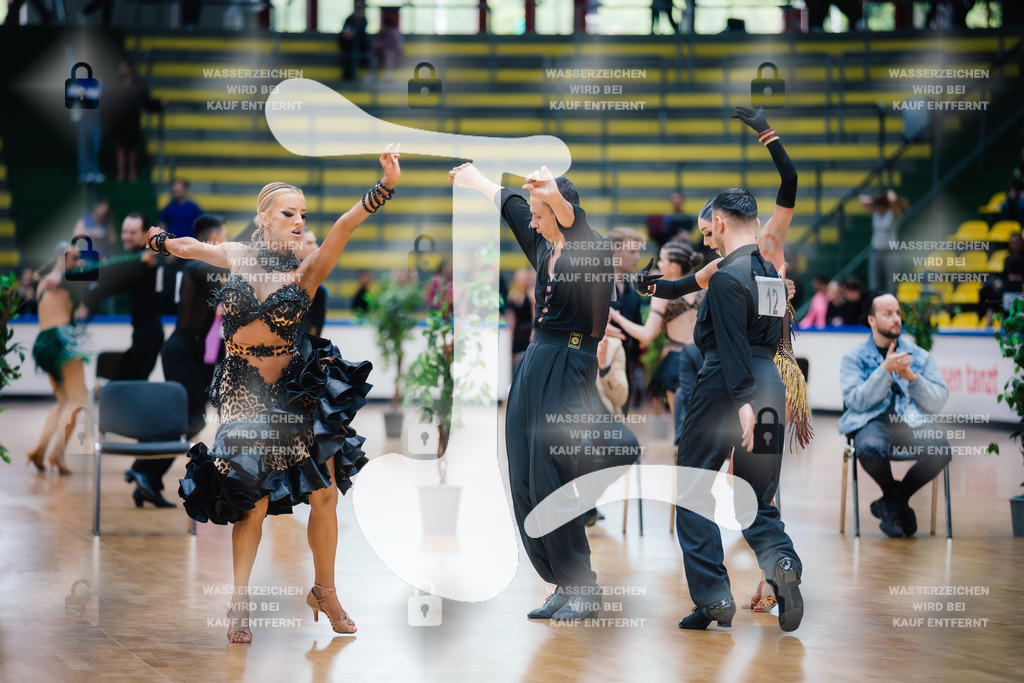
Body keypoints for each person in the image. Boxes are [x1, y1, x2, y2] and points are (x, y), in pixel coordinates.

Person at [156, 144, 399, 643]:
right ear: (264, 218)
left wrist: (384, 187)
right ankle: (240, 601)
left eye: (303, 214)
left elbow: (344, 227)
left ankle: (325, 591)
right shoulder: (237, 256)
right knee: (254, 499)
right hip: (244, 393)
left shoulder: (306, 271)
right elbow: (192, 248)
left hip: (293, 394)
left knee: (325, 494)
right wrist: (163, 242)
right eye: (289, 213)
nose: (298, 221)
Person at [449, 161, 631, 621]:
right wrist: (476, 180)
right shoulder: (543, 245)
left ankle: (583, 585)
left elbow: (576, 223)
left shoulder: (590, 250)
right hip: (534, 361)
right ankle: (562, 581)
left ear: (559, 209)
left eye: (540, 212)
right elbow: (512, 207)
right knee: (524, 477)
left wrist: (553, 193)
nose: (532, 222)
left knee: (554, 477)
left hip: (570, 363)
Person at [667, 188, 803, 633]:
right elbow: (772, 339)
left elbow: (729, 344)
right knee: (756, 497)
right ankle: (783, 562)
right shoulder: (771, 275)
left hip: (726, 387)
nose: (708, 239)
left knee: (692, 487)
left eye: (709, 231)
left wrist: (743, 404)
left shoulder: (727, 276)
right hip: (772, 389)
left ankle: (714, 599)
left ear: (721, 223)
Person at [124, 215, 229, 509]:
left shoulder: (199, 266)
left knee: (185, 419)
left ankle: (146, 475)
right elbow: (229, 281)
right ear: (215, 239)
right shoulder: (197, 265)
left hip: (195, 353)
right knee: (190, 419)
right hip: (183, 352)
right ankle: (144, 471)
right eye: (225, 238)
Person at [838, 293, 952, 537]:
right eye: (888, 314)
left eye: (898, 313)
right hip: (871, 421)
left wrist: (912, 377)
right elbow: (856, 401)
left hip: (910, 421)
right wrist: (885, 370)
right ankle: (895, 501)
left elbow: (938, 400)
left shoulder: (919, 356)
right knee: (868, 448)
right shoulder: (853, 358)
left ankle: (891, 501)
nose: (896, 319)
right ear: (871, 320)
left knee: (940, 449)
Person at [608, 238, 703, 425]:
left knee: (682, 426)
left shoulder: (663, 295)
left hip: (677, 360)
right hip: (704, 359)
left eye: (661, 260)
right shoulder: (704, 289)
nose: (658, 265)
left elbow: (647, 335)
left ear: (673, 267)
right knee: (703, 425)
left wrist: (617, 318)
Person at [78, 213, 165, 383]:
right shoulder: (138, 260)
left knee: (124, 382)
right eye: (125, 232)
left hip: (149, 334)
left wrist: (73, 279)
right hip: (144, 333)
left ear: (145, 234)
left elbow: (113, 275)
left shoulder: (147, 259)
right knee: (127, 382)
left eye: (133, 233)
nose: (127, 236)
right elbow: (118, 282)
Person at [27, 243, 89, 475]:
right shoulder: (67, 278)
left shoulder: (44, 283)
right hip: (61, 339)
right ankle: (57, 454)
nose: (78, 262)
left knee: (65, 401)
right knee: (78, 401)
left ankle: (41, 451)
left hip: (43, 343)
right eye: (74, 258)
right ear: (61, 259)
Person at [604, 226, 646, 410]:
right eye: (632, 252)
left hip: (626, 369)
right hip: (598, 366)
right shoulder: (593, 285)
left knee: (622, 417)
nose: (638, 257)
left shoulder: (634, 293)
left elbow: (638, 337)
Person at [104, 59, 162, 183]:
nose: (122, 70)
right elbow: (109, 101)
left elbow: (147, 101)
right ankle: (121, 173)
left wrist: (159, 105)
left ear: (130, 68)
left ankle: (132, 172)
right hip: (118, 118)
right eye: (121, 67)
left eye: (124, 67)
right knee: (120, 145)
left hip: (132, 119)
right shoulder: (116, 82)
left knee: (132, 147)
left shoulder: (138, 83)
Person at [858, 189, 908, 292]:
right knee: (874, 286)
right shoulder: (876, 213)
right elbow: (862, 199)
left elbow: (892, 198)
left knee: (891, 286)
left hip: (890, 253)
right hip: (875, 252)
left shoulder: (893, 213)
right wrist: (876, 199)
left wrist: (888, 199)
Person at [296, 229, 329, 337]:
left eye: (315, 242)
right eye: (309, 243)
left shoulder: (319, 289)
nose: (315, 247)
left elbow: (315, 327)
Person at [505, 267, 535, 376]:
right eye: (521, 279)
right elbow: (511, 318)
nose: (523, 282)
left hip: (528, 331)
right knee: (515, 361)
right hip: (518, 332)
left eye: (525, 279)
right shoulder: (512, 295)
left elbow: (534, 315)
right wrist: (510, 334)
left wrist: (533, 332)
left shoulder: (531, 295)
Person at [338, 3, 369, 82]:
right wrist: (347, 33)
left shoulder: (364, 20)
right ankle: (347, 75)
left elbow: (360, 31)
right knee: (348, 57)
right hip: (348, 44)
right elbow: (344, 28)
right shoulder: (350, 18)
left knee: (354, 56)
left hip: (360, 45)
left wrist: (353, 33)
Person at [371, 13, 403, 82]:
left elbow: (394, 45)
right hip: (381, 52)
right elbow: (375, 41)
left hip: (394, 53)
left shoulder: (394, 33)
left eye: (382, 24)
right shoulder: (381, 32)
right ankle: (372, 74)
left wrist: (380, 44)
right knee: (374, 54)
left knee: (389, 52)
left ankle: (388, 73)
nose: (381, 26)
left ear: (386, 25)